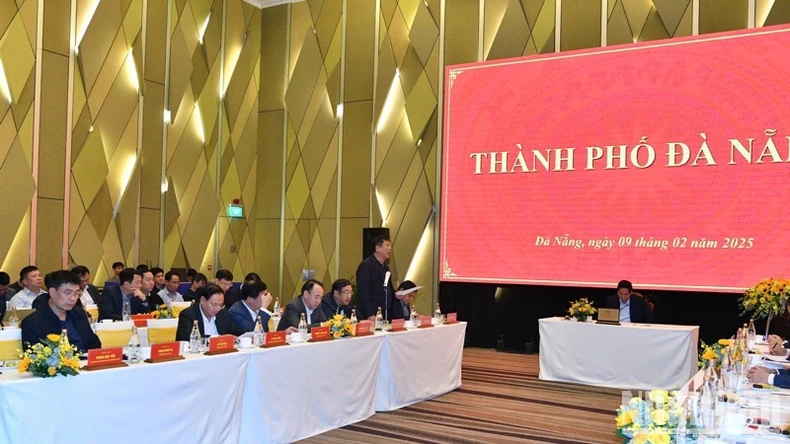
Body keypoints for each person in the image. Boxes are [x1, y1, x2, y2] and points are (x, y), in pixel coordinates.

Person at [21, 270, 101, 351]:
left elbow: (94, 343)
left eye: (76, 293)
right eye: (67, 293)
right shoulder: (33, 322)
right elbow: (35, 354)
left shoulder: (79, 313)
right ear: (52, 292)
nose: (73, 298)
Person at [355, 235, 395, 321]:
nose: (390, 248)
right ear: (377, 248)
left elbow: (388, 289)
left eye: (390, 246)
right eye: (387, 245)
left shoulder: (386, 267)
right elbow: (363, 292)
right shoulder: (366, 266)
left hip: (385, 312)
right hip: (371, 313)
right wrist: (369, 313)